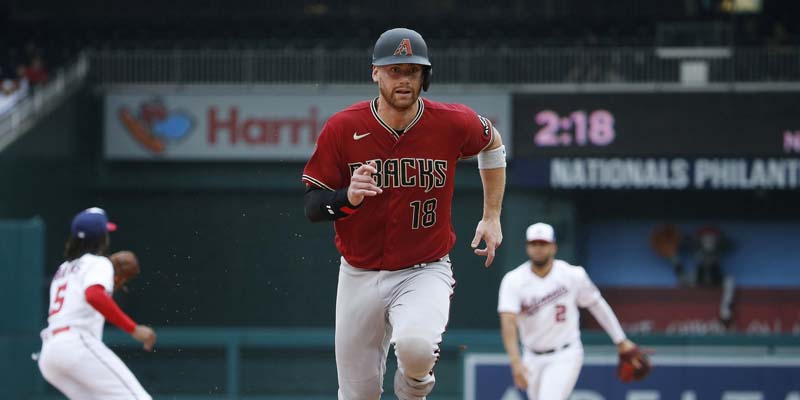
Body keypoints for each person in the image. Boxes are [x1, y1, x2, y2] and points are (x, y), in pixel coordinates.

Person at [301, 27, 506, 399]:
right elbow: (313, 207)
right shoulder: (344, 127)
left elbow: (493, 143)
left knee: (415, 347)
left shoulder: (451, 121)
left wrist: (491, 215)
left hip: (423, 268)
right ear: (375, 73)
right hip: (359, 274)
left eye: (412, 71)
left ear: (425, 76)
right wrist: (348, 196)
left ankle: (415, 388)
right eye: (394, 70)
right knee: (356, 395)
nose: (404, 79)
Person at [498, 222, 640, 400]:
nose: (538, 249)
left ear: (553, 247)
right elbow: (508, 322)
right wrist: (515, 361)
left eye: (543, 244)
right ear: (527, 247)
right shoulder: (513, 280)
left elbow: (596, 305)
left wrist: (620, 340)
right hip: (531, 354)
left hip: (564, 353)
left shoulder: (572, 275)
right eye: (534, 244)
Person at [37, 207, 157, 399]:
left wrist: (107, 286)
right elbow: (93, 295)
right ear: (102, 238)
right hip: (76, 344)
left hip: (50, 353)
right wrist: (134, 329)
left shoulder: (63, 269)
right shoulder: (99, 263)